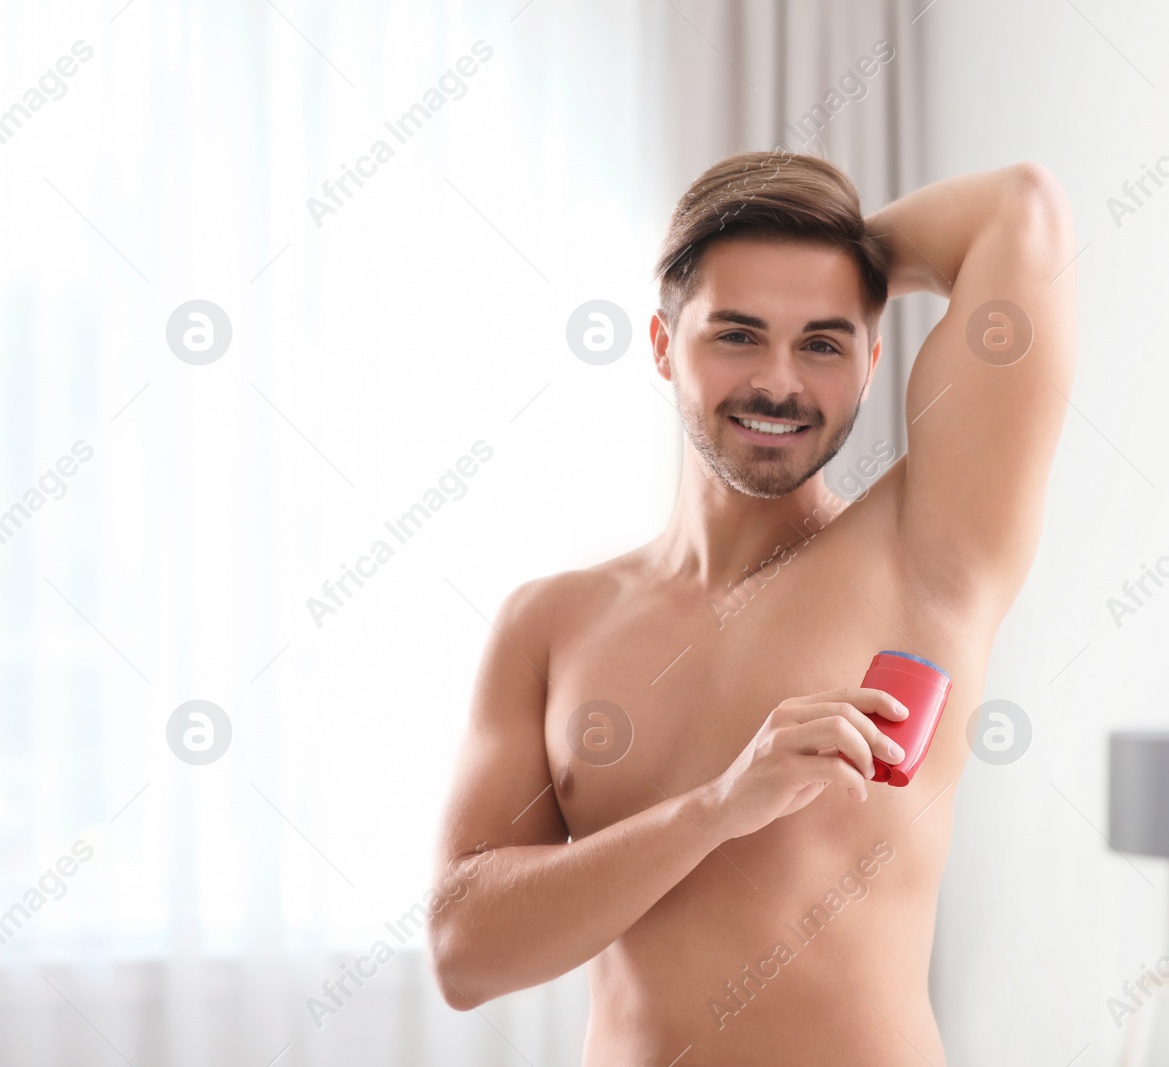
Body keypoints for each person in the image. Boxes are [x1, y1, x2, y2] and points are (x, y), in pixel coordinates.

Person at [427, 150, 1075, 1065]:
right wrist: (720, 807)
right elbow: (464, 955)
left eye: (823, 341)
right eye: (736, 333)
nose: (781, 382)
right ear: (662, 344)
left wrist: (848, 250)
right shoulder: (551, 623)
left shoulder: (931, 555)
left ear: (871, 358)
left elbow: (1021, 207)